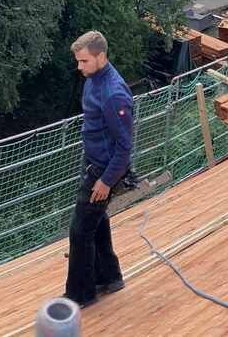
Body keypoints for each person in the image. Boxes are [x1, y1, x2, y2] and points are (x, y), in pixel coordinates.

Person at [64, 30, 135, 308]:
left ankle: (81, 294)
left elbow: (125, 146)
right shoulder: (94, 78)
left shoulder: (113, 95)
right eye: (78, 61)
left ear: (100, 56)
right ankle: (110, 277)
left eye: (83, 61)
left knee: (80, 232)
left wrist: (106, 181)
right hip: (93, 162)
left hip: (104, 171)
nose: (79, 67)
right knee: (97, 222)